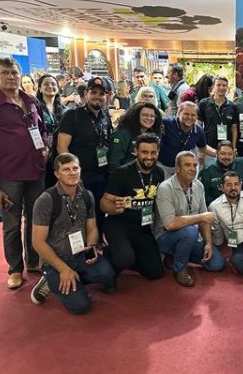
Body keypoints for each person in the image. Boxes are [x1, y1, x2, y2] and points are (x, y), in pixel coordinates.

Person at [0, 58, 48, 288]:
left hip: (35, 171)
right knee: (12, 224)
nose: (10, 77)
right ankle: (15, 268)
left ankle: (33, 260)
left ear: (20, 75)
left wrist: (45, 147)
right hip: (7, 176)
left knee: (36, 220)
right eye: (4, 73)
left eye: (14, 72)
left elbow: (42, 129)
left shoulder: (31, 100)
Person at [29, 153, 115, 313]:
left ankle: (70, 282)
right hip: (55, 260)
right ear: (57, 174)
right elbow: (38, 243)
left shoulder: (87, 195)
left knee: (107, 273)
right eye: (66, 169)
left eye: (75, 168)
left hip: (79, 255)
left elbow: (92, 228)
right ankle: (50, 279)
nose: (72, 173)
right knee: (81, 306)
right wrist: (63, 269)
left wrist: (91, 247)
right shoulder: (46, 200)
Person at [100, 133, 165, 287]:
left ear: (158, 152)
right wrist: (115, 208)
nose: (149, 157)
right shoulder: (122, 173)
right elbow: (103, 203)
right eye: (144, 152)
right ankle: (110, 264)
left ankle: (126, 255)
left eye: (153, 152)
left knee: (155, 272)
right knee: (124, 258)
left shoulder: (159, 172)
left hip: (142, 226)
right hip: (118, 224)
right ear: (136, 151)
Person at [153, 151, 225, 287]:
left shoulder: (199, 185)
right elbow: (170, 224)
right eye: (187, 165)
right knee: (190, 231)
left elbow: (205, 220)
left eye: (194, 165)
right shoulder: (165, 188)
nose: (192, 169)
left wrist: (208, 243)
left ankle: (177, 255)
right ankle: (180, 269)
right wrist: (201, 217)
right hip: (165, 236)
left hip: (191, 237)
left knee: (217, 264)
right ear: (177, 168)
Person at [57, 77, 112, 236]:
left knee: (99, 211)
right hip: (81, 176)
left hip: (102, 174)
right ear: (86, 93)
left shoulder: (105, 116)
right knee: (79, 213)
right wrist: (72, 175)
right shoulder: (72, 115)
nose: (97, 96)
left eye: (101, 94)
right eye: (93, 92)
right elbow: (62, 147)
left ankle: (97, 242)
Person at [158, 101, 216, 179]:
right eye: (186, 114)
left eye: (193, 115)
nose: (189, 117)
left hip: (181, 169)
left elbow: (203, 147)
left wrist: (219, 153)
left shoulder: (198, 130)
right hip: (163, 166)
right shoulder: (166, 123)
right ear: (178, 113)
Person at [198, 140, 243, 206]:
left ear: (234, 154)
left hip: (239, 206)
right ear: (217, 154)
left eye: (230, 154)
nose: (227, 157)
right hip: (216, 207)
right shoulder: (207, 170)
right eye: (223, 153)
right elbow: (203, 195)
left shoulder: (240, 163)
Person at [108, 102, 163, 172]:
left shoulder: (152, 135)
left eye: (152, 116)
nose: (149, 118)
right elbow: (114, 163)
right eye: (145, 115)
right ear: (136, 116)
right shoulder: (123, 134)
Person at [36, 74, 67, 188]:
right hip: (43, 155)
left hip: (61, 153)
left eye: (53, 84)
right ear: (40, 88)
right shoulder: (34, 108)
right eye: (46, 84)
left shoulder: (65, 110)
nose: (50, 86)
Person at [197, 76, 239, 160]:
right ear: (213, 87)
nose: (221, 88)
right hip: (208, 149)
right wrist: (200, 148)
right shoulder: (204, 103)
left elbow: (234, 128)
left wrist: (234, 147)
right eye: (218, 85)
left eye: (224, 85)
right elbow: (198, 126)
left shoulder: (232, 106)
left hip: (226, 151)